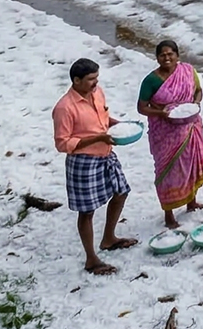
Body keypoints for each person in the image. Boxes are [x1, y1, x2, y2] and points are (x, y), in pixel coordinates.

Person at [52, 58, 136, 275]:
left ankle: (109, 238)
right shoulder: (64, 108)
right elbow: (63, 143)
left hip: (106, 154)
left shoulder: (98, 93)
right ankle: (91, 259)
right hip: (83, 161)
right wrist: (96, 138)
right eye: (91, 80)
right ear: (76, 80)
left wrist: (118, 125)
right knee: (87, 211)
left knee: (121, 192)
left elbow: (103, 118)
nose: (95, 83)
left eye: (97, 78)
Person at [135, 40, 203, 231]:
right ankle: (169, 215)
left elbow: (198, 91)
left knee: (190, 164)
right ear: (157, 58)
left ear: (178, 56)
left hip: (190, 125)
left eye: (171, 54)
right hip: (165, 132)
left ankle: (191, 202)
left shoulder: (187, 71)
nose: (167, 58)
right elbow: (141, 107)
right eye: (163, 55)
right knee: (167, 171)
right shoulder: (151, 80)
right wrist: (161, 114)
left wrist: (195, 104)